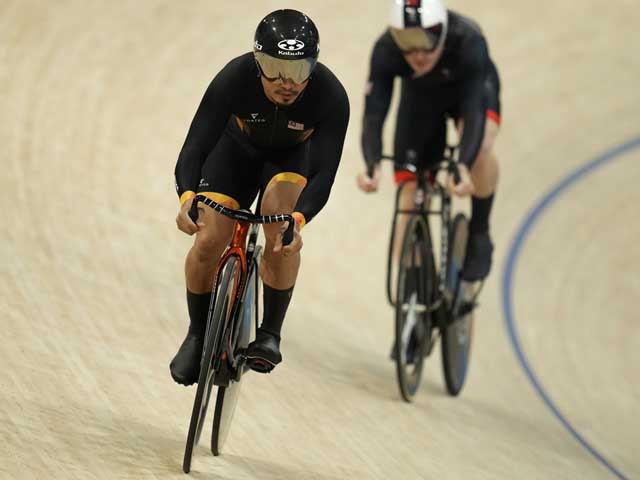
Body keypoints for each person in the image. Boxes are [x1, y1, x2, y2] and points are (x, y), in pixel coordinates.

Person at [170, 9, 349, 385]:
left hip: (289, 158)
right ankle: (197, 333)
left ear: (314, 67)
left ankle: (269, 333)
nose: (287, 82)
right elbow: (194, 147)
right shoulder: (234, 78)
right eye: (274, 68)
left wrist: (298, 221)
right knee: (210, 238)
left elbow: (325, 173)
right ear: (257, 62)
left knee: (280, 223)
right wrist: (187, 196)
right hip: (234, 151)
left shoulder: (331, 95)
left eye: (300, 70)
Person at [357, 0, 501, 282]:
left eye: (426, 41)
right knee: (409, 195)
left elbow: (473, 112)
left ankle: (480, 232)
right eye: (408, 42)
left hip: (469, 94)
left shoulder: (468, 40)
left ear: (443, 30)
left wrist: (463, 163)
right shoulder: (386, 49)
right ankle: (413, 290)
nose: (418, 54)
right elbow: (374, 114)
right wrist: (372, 161)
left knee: (480, 151)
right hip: (421, 99)